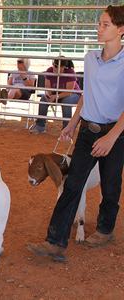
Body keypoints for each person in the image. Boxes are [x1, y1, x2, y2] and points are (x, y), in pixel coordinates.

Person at [27, 5, 124, 262]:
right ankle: (55, 241)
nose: (99, 28)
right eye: (99, 23)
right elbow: (86, 96)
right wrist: (72, 123)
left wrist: (112, 136)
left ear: (121, 29)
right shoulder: (90, 58)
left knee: (111, 184)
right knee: (72, 183)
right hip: (86, 131)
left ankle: (105, 230)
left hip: (115, 133)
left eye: (105, 24)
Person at [29, 57, 81, 133]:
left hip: (73, 94)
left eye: (57, 66)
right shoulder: (49, 71)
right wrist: (48, 95)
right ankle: (40, 126)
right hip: (56, 94)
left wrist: (56, 96)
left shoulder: (70, 72)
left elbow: (68, 92)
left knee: (66, 101)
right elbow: (47, 88)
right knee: (44, 99)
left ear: (64, 67)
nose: (54, 68)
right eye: (54, 65)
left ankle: (66, 129)